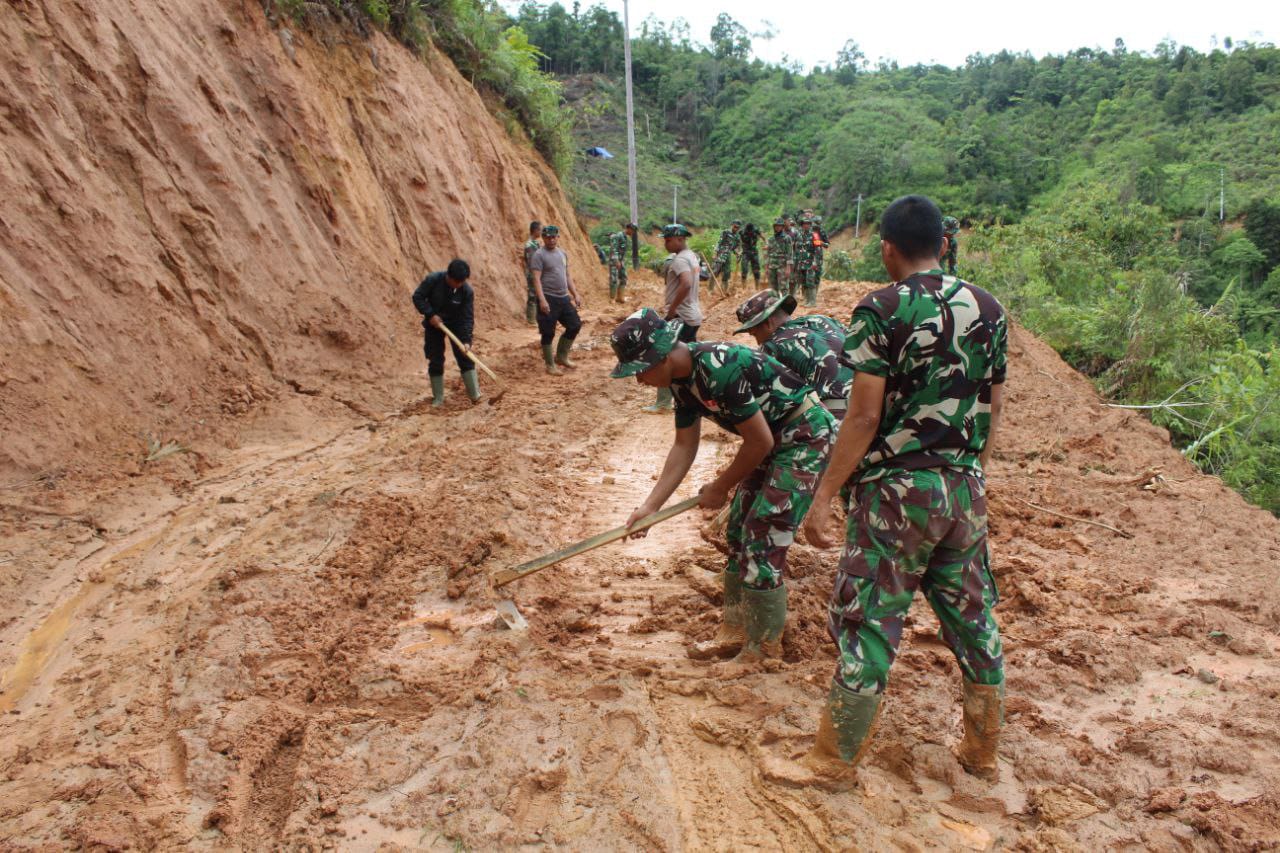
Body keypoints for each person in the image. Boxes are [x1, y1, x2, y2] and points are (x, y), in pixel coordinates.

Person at [792, 194, 1008, 788]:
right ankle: (982, 753)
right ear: (943, 244)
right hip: (964, 489)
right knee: (973, 620)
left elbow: (861, 419)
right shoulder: (990, 309)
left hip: (896, 494)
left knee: (870, 621)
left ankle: (832, 764)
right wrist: (973, 475)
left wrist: (822, 497)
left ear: (888, 248)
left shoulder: (881, 308)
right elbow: (993, 405)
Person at [610, 309, 834, 665]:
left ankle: (761, 650)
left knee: (762, 536)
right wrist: (651, 506)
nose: (639, 381)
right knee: (737, 530)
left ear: (662, 355)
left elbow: (758, 443)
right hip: (774, 438)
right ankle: (735, 630)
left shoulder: (717, 367)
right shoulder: (682, 384)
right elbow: (684, 447)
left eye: (640, 370)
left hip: (803, 435)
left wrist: (720, 486)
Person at [733, 289, 853, 423]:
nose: (757, 341)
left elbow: (770, 403)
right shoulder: (822, 320)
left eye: (754, 334)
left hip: (841, 418)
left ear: (768, 323)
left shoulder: (772, 346)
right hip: (873, 403)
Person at [643, 224, 703, 413]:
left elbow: (685, 283)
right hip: (692, 315)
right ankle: (695, 397)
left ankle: (663, 403)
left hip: (680, 316)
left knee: (664, 356)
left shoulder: (679, 261)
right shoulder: (692, 256)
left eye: (668, 240)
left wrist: (671, 311)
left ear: (680, 239)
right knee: (688, 359)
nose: (665, 244)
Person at [412, 258, 480, 408]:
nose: (459, 285)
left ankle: (475, 395)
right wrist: (430, 314)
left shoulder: (466, 291)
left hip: (456, 324)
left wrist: (467, 340)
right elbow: (417, 297)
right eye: (457, 281)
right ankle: (438, 398)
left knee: (465, 357)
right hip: (434, 323)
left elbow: (467, 317)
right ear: (448, 276)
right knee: (435, 359)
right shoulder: (433, 280)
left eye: (462, 282)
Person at [529, 224, 584, 375]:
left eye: (554, 237)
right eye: (548, 237)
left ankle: (561, 356)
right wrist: (542, 300)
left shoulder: (563, 254)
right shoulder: (539, 255)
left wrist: (575, 294)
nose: (551, 240)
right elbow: (536, 279)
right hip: (548, 298)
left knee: (574, 325)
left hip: (563, 298)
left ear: (558, 237)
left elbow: (567, 276)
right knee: (548, 332)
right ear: (543, 237)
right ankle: (550, 364)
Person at [710, 220, 743, 291]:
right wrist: (715, 253)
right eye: (735, 227)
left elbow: (734, 248)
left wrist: (738, 254)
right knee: (715, 271)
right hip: (720, 254)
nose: (736, 229)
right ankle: (710, 290)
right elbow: (719, 242)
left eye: (738, 228)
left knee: (727, 273)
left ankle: (724, 290)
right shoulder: (726, 232)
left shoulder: (737, 236)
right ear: (732, 225)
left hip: (728, 256)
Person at [609, 223, 637, 303]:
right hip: (614, 260)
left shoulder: (625, 237)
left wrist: (621, 261)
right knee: (613, 279)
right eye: (633, 230)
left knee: (624, 277)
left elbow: (622, 251)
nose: (633, 232)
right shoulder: (619, 235)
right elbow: (614, 249)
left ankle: (620, 297)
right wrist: (616, 260)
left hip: (621, 260)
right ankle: (612, 298)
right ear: (628, 228)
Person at [765, 218, 794, 294]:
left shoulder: (787, 238)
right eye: (776, 226)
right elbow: (768, 254)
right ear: (774, 227)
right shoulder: (771, 239)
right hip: (772, 266)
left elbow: (789, 253)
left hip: (782, 266)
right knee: (773, 287)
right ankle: (775, 304)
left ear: (782, 227)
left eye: (780, 226)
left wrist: (788, 268)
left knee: (784, 287)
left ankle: (785, 304)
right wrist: (766, 267)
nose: (778, 227)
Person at [521, 221, 541, 325]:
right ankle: (531, 319)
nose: (541, 232)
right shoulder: (529, 245)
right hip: (532, 273)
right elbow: (531, 261)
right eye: (540, 230)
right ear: (535, 230)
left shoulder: (536, 243)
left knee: (538, 294)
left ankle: (536, 318)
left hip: (538, 273)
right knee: (532, 295)